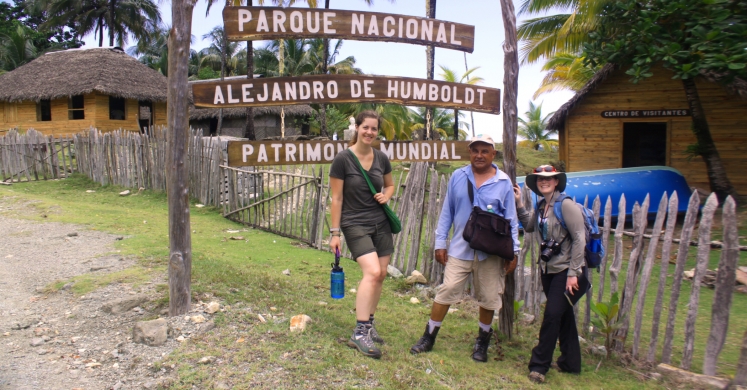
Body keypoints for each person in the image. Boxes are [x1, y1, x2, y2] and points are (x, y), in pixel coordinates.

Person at [410, 135, 519, 362]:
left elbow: (511, 218)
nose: (479, 155)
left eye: (484, 151)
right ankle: (429, 336)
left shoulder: (503, 182)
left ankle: (482, 343)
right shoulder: (458, 177)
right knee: (447, 289)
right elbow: (447, 211)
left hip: (491, 252)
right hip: (460, 247)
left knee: (489, 298)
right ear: (470, 153)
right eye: (475, 150)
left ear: (493, 154)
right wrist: (441, 243)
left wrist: (514, 251)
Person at [513, 165, 589, 383]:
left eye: (548, 178)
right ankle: (570, 363)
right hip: (548, 270)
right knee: (563, 317)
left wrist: (574, 273)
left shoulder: (566, 205)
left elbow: (579, 238)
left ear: (556, 182)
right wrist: (519, 204)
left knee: (552, 316)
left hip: (565, 271)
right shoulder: (541, 206)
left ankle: (539, 366)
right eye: (539, 180)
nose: (543, 182)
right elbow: (528, 226)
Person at [329, 110, 395, 359]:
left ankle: (369, 322)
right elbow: (336, 198)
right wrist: (335, 233)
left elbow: (389, 184)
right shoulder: (343, 160)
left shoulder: (381, 158)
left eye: (374, 129)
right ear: (357, 128)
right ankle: (359, 332)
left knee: (381, 276)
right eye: (365, 127)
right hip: (354, 223)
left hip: (380, 223)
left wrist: (386, 196)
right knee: (373, 272)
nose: (369, 132)